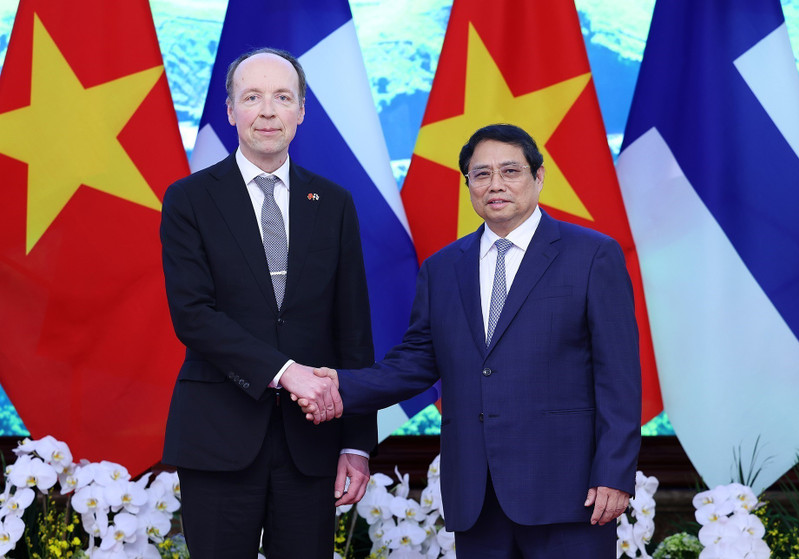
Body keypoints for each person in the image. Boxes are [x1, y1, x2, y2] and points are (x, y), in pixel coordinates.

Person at [307, 124, 642, 558]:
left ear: (538, 178)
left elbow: (618, 376)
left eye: (510, 171)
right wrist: (333, 385)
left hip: (570, 494)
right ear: (468, 184)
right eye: (481, 174)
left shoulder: (592, 255)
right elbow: (415, 363)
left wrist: (614, 473)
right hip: (477, 498)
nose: (495, 184)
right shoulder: (443, 268)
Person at [159, 47, 374, 559]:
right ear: (231, 110)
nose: (268, 110)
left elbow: (354, 329)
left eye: (283, 97)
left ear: (301, 111)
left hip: (313, 443)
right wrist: (285, 371)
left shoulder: (335, 203)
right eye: (252, 97)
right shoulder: (188, 199)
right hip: (218, 435)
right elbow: (193, 315)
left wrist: (357, 442)